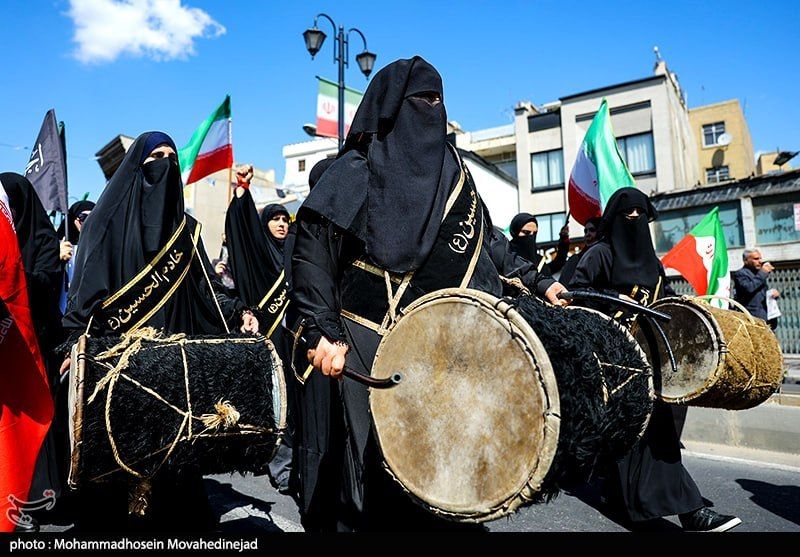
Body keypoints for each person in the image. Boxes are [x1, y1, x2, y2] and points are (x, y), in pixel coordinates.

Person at [290, 56, 567, 531]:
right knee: (375, 476)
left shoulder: (455, 177)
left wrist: (543, 282)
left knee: (446, 472)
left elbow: (491, 241)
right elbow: (312, 254)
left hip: (447, 349)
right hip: (366, 342)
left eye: (437, 100)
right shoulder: (353, 171)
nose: (430, 110)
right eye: (420, 100)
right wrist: (321, 332)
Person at [61, 131, 258, 531]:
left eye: (171, 157)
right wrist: (72, 345)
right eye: (155, 157)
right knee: (118, 465)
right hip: (120, 368)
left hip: (175, 367)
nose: (164, 165)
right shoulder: (106, 225)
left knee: (177, 466)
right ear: (136, 166)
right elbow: (85, 298)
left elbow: (208, 289)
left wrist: (239, 311)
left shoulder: (186, 232)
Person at [568, 188, 741, 532]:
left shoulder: (653, 263)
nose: (634, 219)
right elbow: (576, 294)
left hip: (649, 358)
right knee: (646, 432)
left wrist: (688, 308)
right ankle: (690, 510)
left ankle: (621, 495)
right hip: (611, 358)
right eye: (627, 214)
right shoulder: (599, 254)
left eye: (640, 214)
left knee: (647, 432)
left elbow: (662, 301)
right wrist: (614, 298)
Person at [224, 163, 294, 494]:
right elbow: (243, 229)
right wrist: (242, 190)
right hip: (269, 338)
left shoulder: (296, 252)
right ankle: (281, 467)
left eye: (285, 219)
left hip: (297, 338)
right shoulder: (259, 254)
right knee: (276, 402)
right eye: (275, 219)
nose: (281, 223)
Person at [1, 173, 64, 515]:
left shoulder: (44, 241)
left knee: (34, 424)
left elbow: (46, 284)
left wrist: (11, 277)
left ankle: (33, 498)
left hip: (37, 346)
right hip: (5, 346)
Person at [57, 200, 95, 314]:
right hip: (62, 309)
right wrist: (57, 258)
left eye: (92, 217)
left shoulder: (101, 246)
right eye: (83, 217)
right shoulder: (60, 246)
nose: (87, 222)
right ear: (74, 219)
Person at [732, 248, 773, 323]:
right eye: (756, 259)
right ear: (746, 261)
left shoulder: (758, 274)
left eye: (760, 258)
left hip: (764, 316)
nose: (760, 261)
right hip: (751, 317)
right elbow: (749, 288)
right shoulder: (740, 274)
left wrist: (772, 294)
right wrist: (763, 273)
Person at [558, 216, 601, 287]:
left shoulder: (605, 254)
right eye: (585, 231)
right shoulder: (576, 259)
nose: (588, 234)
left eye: (592, 230)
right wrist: (563, 238)